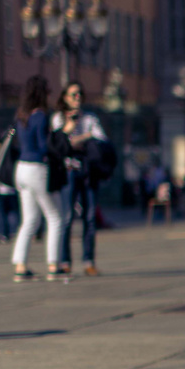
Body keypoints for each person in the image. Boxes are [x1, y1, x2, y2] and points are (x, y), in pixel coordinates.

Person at [9, 75, 65, 282]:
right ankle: (53, 264)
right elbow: (43, 146)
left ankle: (20, 265)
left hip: (21, 169)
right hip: (36, 168)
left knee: (29, 220)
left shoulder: (21, 115)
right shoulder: (40, 116)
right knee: (56, 217)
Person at [51, 82, 108, 276]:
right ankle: (65, 261)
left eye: (80, 94)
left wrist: (77, 139)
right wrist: (79, 134)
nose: (77, 98)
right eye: (73, 95)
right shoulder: (58, 118)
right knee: (66, 217)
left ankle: (88, 261)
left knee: (90, 217)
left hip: (88, 171)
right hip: (68, 171)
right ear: (65, 97)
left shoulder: (90, 118)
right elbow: (59, 143)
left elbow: (100, 139)